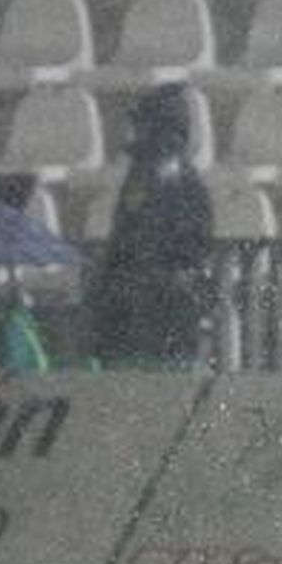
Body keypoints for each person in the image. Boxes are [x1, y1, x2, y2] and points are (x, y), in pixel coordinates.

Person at [88, 84, 213, 369]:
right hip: (137, 298)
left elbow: (191, 243)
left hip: (164, 300)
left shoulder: (175, 179)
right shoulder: (143, 175)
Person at [0, 263, 50, 374]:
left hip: (14, 315)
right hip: (5, 313)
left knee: (17, 338)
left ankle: (16, 364)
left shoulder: (19, 272)